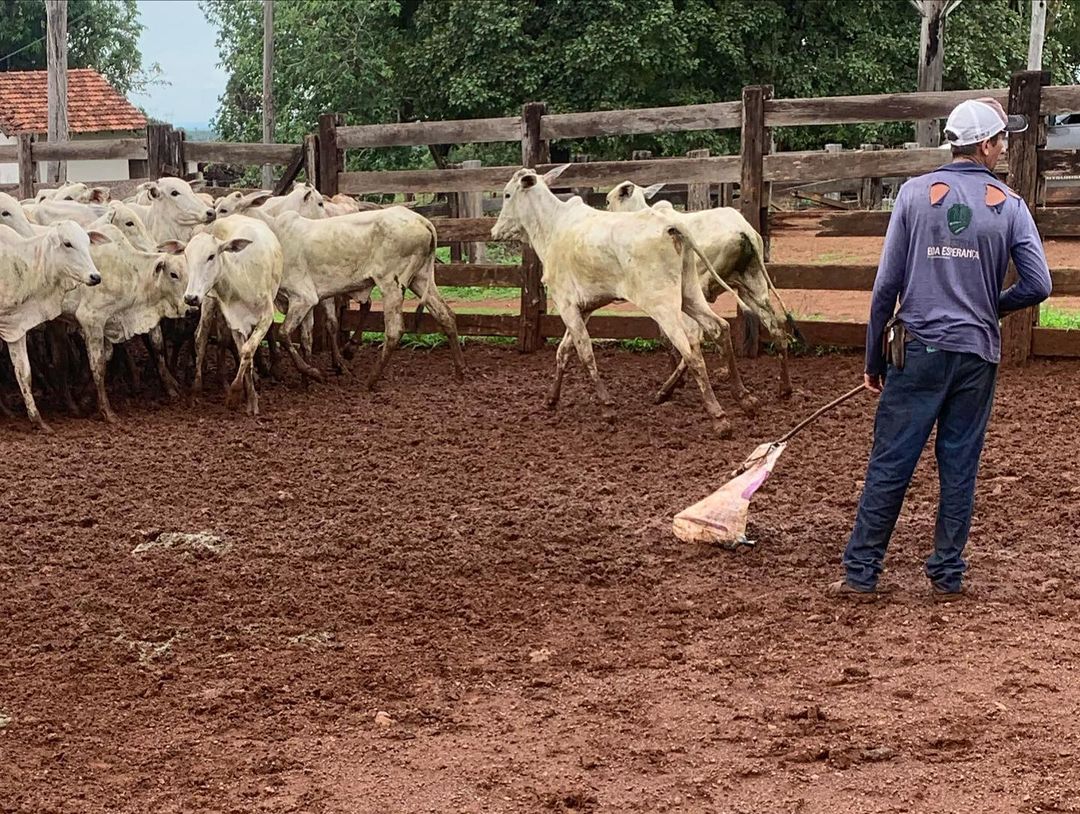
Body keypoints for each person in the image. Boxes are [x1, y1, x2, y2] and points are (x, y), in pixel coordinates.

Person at [831, 98, 1052, 600]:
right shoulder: (1010, 206)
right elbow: (1039, 285)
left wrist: (873, 360)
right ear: (988, 145)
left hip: (918, 350)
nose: (1003, 148)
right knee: (959, 465)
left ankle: (862, 571)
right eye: (1001, 141)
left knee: (892, 461)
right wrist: (992, 305)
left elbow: (886, 286)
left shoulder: (913, 196)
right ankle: (946, 573)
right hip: (976, 354)